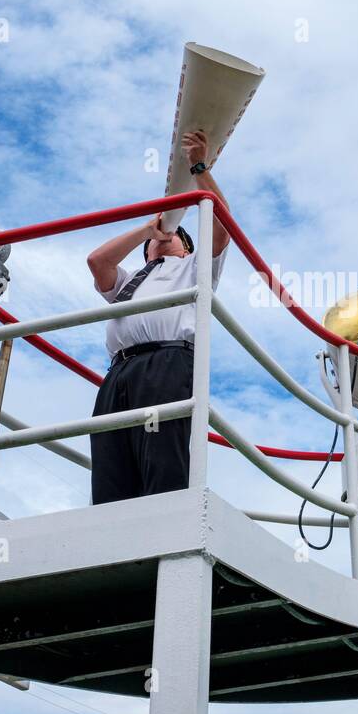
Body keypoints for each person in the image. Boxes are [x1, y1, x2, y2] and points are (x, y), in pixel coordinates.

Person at [86, 130, 231, 503]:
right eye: (161, 235)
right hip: (119, 372)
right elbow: (97, 261)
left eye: (177, 232)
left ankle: (166, 540)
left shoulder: (195, 269)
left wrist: (198, 168)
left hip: (167, 363)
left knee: (163, 458)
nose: (168, 234)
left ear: (187, 248)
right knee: (111, 463)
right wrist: (146, 229)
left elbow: (222, 225)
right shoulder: (128, 280)